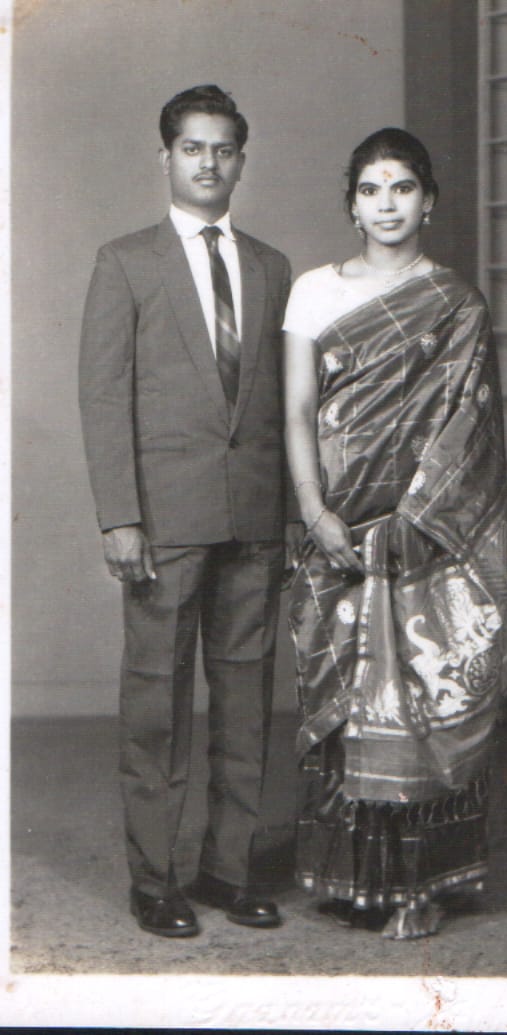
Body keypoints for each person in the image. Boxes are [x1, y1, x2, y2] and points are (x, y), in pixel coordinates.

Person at [283, 128, 507, 940]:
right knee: (347, 703)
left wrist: (416, 520)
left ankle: (423, 885)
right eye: (370, 189)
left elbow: (468, 430)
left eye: (401, 187)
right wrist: (316, 512)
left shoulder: (457, 304)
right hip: (335, 523)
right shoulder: (315, 291)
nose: (386, 204)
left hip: (424, 535)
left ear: (428, 201)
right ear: (351, 205)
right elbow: (296, 412)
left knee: (423, 696)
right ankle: (355, 879)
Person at [79, 84, 300, 937]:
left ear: (241, 160)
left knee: (247, 699)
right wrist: (118, 516)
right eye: (192, 148)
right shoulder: (126, 262)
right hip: (163, 523)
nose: (209, 162)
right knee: (157, 705)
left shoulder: (271, 266)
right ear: (166, 156)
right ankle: (156, 878)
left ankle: (228, 868)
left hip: (254, 518)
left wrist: (287, 513)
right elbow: (104, 397)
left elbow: (284, 404)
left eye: (223, 149)